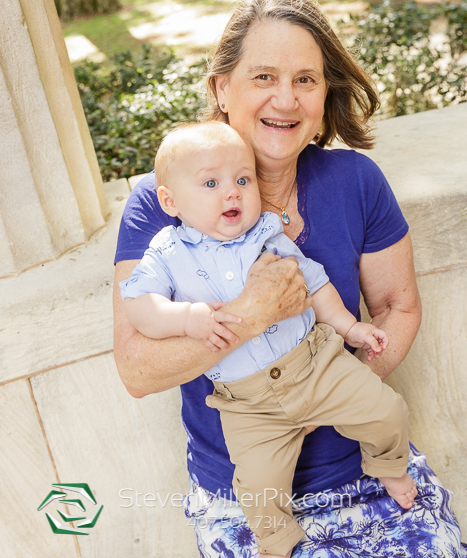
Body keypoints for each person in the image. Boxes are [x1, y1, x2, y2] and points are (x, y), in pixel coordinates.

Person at [113, 0, 466, 557]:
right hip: (244, 496)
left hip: (363, 469)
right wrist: (253, 315)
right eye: (263, 76)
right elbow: (136, 369)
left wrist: (324, 399)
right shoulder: (163, 204)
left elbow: (398, 307)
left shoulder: (356, 181)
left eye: (306, 79)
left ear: (326, 94)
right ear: (221, 88)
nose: (286, 98)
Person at [119, 121, 417, 558]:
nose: (233, 192)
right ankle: (275, 542)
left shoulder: (264, 233)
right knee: (258, 483)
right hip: (248, 402)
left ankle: (388, 467)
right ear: (170, 201)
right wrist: (184, 319)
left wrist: (351, 329)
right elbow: (139, 306)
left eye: (243, 179)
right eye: (211, 183)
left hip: (315, 365)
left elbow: (313, 285)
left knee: (386, 409)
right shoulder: (166, 253)